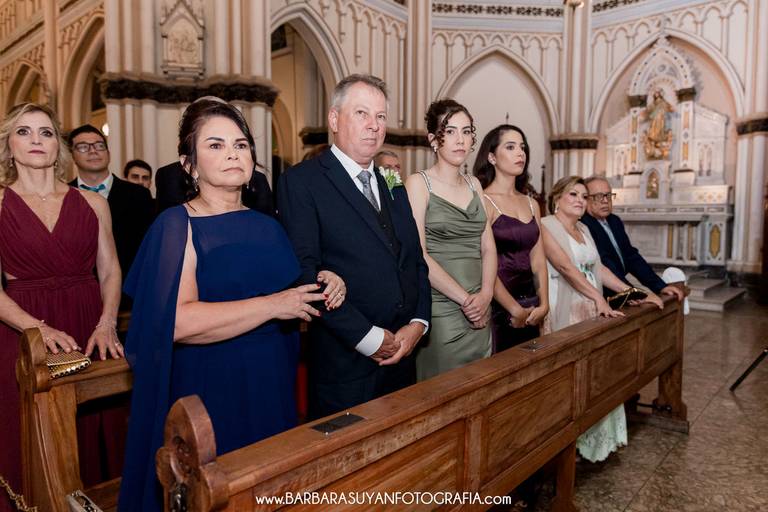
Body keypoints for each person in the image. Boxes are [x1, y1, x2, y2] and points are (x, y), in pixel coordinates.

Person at [117, 98, 344, 511]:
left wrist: (326, 281)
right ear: (189, 164)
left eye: (240, 145)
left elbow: (292, 297)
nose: (233, 154)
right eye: (215, 145)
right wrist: (272, 305)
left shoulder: (268, 227)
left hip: (270, 382)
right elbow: (178, 322)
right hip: (209, 387)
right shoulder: (176, 225)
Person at [278, 74, 431, 420]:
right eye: (362, 113)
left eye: (380, 116)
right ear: (334, 119)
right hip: (345, 361)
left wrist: (417, 324)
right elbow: (305, 273)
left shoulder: (392, 180)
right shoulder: (302, 181)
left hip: (403, 356)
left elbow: (414, 259)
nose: (373, 125)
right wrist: (368, 338)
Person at [0, 103, 124, 509]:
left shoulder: (92, 203)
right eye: (24, 132)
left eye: (46, 132)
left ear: (59, 146)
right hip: (23, 332)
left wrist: (107, 323)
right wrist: (38, 329)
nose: (36, 140)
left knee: (90, 429)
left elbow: (110, 270)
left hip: (88, 327)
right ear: (9, 145)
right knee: (32, 431)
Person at [541, 176, 663, 462]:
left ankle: (591, 443)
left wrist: (633, 292)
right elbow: (566, 268)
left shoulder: (584, 228)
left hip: (591, 305)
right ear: (556, 198)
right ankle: (565, 448)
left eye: (584, 196)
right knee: (570, 377)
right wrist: (598, 298)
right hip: (565, 306)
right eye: (573, 194)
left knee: (595, 374)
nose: (580, 200)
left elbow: (599, 269)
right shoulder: (546, 225)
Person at [405, 99, 496, 381]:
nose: (460, 140)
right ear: (433, 139)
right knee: (445, 389)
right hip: (442, 308)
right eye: (450, 131)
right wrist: (466, 301)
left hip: (481, 306)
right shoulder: (418, 184)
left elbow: (488, 248)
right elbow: (419, 254)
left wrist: (486, 295)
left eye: (466, 131)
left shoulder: (475, 184)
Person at [474, 125, 548, 351]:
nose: (520, 153)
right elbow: (481, 261)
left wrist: (544, 304)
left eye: (522, 147)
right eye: (510, 147)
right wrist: (513, 308)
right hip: (499, 305)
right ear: (492, 157)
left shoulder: (531, 203)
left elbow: (538, 260)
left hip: (531, 305)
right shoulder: (483, 201)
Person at [68, 125, 155, 279]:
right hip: (77, 284)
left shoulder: (138, 195)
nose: (93, 151)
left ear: (108, 153)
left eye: (99, 145)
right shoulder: (63, 196)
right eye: (83, 147)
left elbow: (150, 247)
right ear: (72, 156)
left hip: (127, 284)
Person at [581, 175, 684, 301]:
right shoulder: (584, 225)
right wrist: (634, 293)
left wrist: (660, 286)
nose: (605, 200)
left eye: (608, 195)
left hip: (621, 289)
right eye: (598, 196)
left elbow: (631, 257)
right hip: (602, 294)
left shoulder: (614, 221)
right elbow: (605, 264)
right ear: (585, 199)